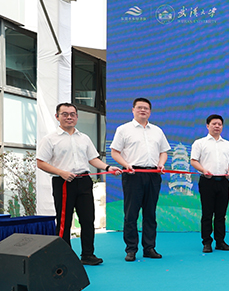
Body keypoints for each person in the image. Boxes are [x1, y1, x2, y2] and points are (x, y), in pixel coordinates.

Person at [37, 103, 122, 265]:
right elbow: (40, 162)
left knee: (88, 219)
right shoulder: (50, 139)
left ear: (76, 116)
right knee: (64, 221)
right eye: (65, 114)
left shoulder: (84, 138)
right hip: (63, 182)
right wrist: (61, 172)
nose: (69, 117)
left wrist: (108, 168)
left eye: (72, 114)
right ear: (57, 117)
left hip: (84, 181)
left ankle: (88, 255)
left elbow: (93, 159)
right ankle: (64, 257)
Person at [110, 98, 171, 262]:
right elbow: (115, 152)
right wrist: (126, 165)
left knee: (150, 213)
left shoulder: (157, 130)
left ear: (150, 111)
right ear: (133, 110)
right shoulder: (124, 129)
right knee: (131, 213)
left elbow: (164, 151)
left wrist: (161, 164)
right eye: (139, 108)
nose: (143, 110)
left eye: (146, 108)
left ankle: (149, 247)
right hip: (133, 174)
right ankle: (131, 249)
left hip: (153, 175)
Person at [190, 114, 229, 253]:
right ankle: (206, 242)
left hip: (223, 181)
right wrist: (203, 170)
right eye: (214, 124)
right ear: (207, 126)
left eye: (219, 124)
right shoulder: (200, 143)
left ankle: (220, 241)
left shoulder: (227, 144)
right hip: (207, 182)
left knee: (221, 214)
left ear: (222, 127)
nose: (217, 126)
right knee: (207, 213)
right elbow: (193, 161)